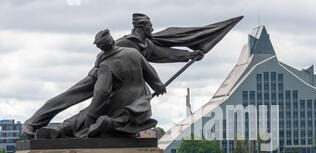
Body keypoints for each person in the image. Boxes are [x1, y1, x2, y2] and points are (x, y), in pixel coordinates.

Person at [22, 13, 203, 139]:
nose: (152, 28)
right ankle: (32, 123)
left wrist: (188, 55)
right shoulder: (125, 42)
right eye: (149, 25)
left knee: (100, 109)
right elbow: (108, 54)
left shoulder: (143, 44)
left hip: (117, 84)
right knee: (68, 97)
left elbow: (163, 54)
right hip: (101, 74)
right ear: (140, 27)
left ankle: (67, 129)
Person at [36, 29, 166, 139]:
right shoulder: (133, 53)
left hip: (118, 100)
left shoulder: (106, 65)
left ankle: (61, 129)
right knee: (124, 119)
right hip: (140, 99)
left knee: (85, 114)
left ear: (100, 48)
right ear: (113, 40)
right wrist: (158, 85)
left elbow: (102, 92)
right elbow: (150, 71)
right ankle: (108, 123)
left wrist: (91, 115)